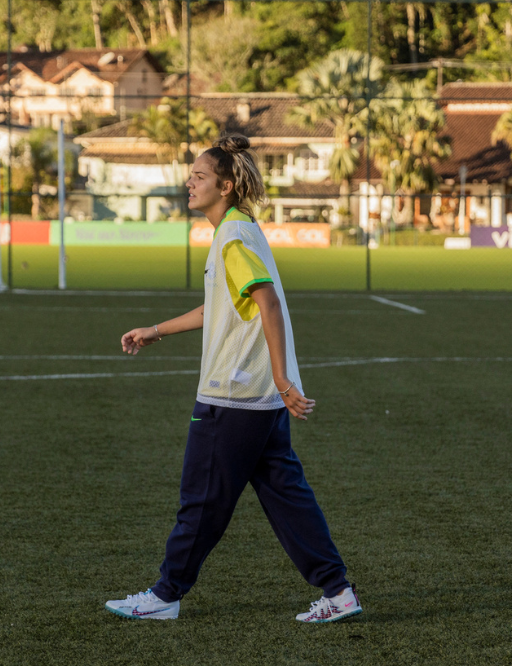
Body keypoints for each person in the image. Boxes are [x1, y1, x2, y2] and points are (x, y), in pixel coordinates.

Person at [104, 135, 361, 624]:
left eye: (199, 176)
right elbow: (223, 305)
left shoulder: (234, 236)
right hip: (256, 398)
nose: (189, 182)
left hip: (235, 395)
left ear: (224, 186)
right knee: (288, 498)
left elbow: (267, 302)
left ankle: (165, 594)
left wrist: (283, 380)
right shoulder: (239, 229)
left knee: (200, 501)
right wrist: (156, 331)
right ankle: (338, 591)